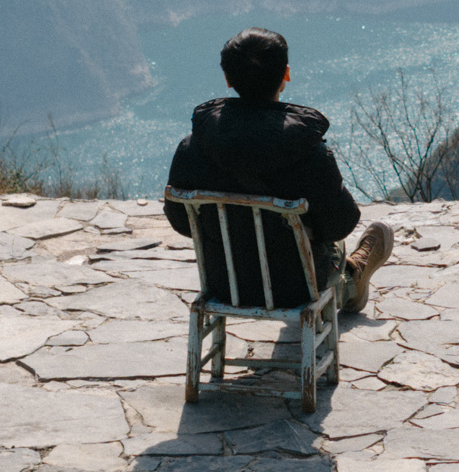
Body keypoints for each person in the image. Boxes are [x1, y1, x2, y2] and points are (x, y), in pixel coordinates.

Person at [164, 27, 393, 312]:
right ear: (286, 73)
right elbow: (340, 223)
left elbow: (181, 219)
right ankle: (352, 279)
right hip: (296, 287)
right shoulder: (311, 153)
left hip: (224, 282)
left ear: (227, 78)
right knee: (329, 245)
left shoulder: (192, 147)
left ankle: (350, 274)